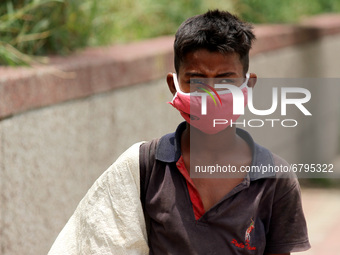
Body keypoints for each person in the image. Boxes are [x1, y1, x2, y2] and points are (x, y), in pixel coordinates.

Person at [48, 10, 311, 255]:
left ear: (248, 86)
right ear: (174, 86)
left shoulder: (276, 179)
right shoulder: (143, 168)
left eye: (226, 81)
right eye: (196, 80)